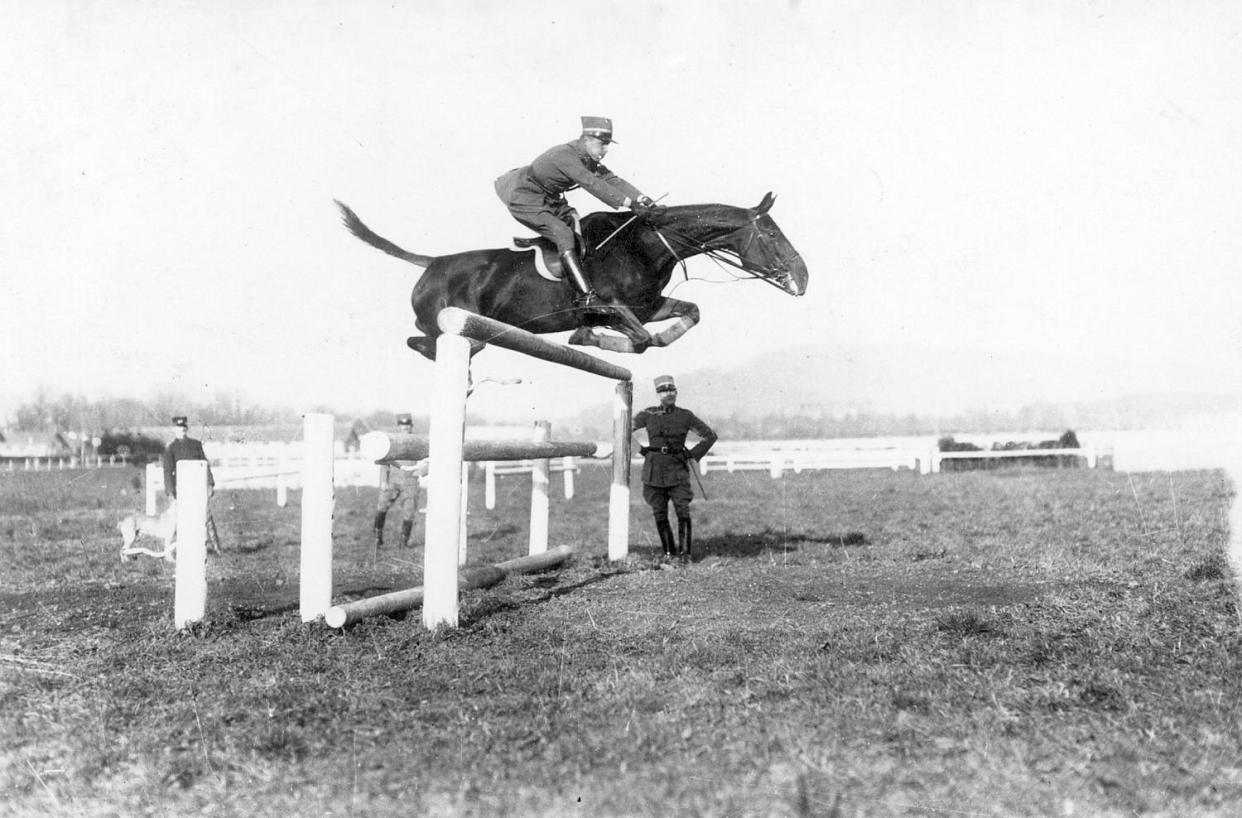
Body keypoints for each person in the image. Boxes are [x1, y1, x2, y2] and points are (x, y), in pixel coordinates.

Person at [494, 116, 667, 316]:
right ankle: (586, 297)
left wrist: (645, 199)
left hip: (547, 196)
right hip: (524, 195)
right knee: (563, 234)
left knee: (576, 224)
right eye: (602, 144)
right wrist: (630, 204)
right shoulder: (565, 156)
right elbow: (591, 183)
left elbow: (612, 180)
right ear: (587, 140)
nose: (605, 150)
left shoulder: (586, 157)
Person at [632, 375, 717, 563]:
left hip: (677, 470)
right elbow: (623, 430)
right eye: (663, 391)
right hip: (653, 471)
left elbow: (710, 436)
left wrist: (692, 454)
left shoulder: (686, 415)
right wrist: (641, 450)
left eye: (671, 390)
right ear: (657, 394)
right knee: (659, 512)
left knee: (683, 511)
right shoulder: (648, 414)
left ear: (676, 392)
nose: (668, 394)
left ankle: (685, 555)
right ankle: (668, 553)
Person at [160, 415, 221, 553]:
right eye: (178, 427)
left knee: (206, 516)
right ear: (173, 430)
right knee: (183, 520)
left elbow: (205, 465)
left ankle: (217, 548)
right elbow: (167, 472)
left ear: (186, 428)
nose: (181, 430)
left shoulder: (196, 445)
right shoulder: (171, 448)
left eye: (183, 427)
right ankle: (187, 549)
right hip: (181, 490)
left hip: (198, 488)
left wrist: (210, 484)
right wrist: (170, 492)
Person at [374, 414, 428, 550]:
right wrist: (383, 481)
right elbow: (384, 461)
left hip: (410, 482)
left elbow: (427, 460)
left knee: (409, 512)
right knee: (381, 507)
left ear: (411, 426)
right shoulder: (393, 441)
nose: (405, 428)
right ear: (399, 426)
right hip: (393, 480)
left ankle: (403, 544)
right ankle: (377, 538)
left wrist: (421, 471)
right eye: (403, 425)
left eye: (408, 425)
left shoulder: (418, 441)